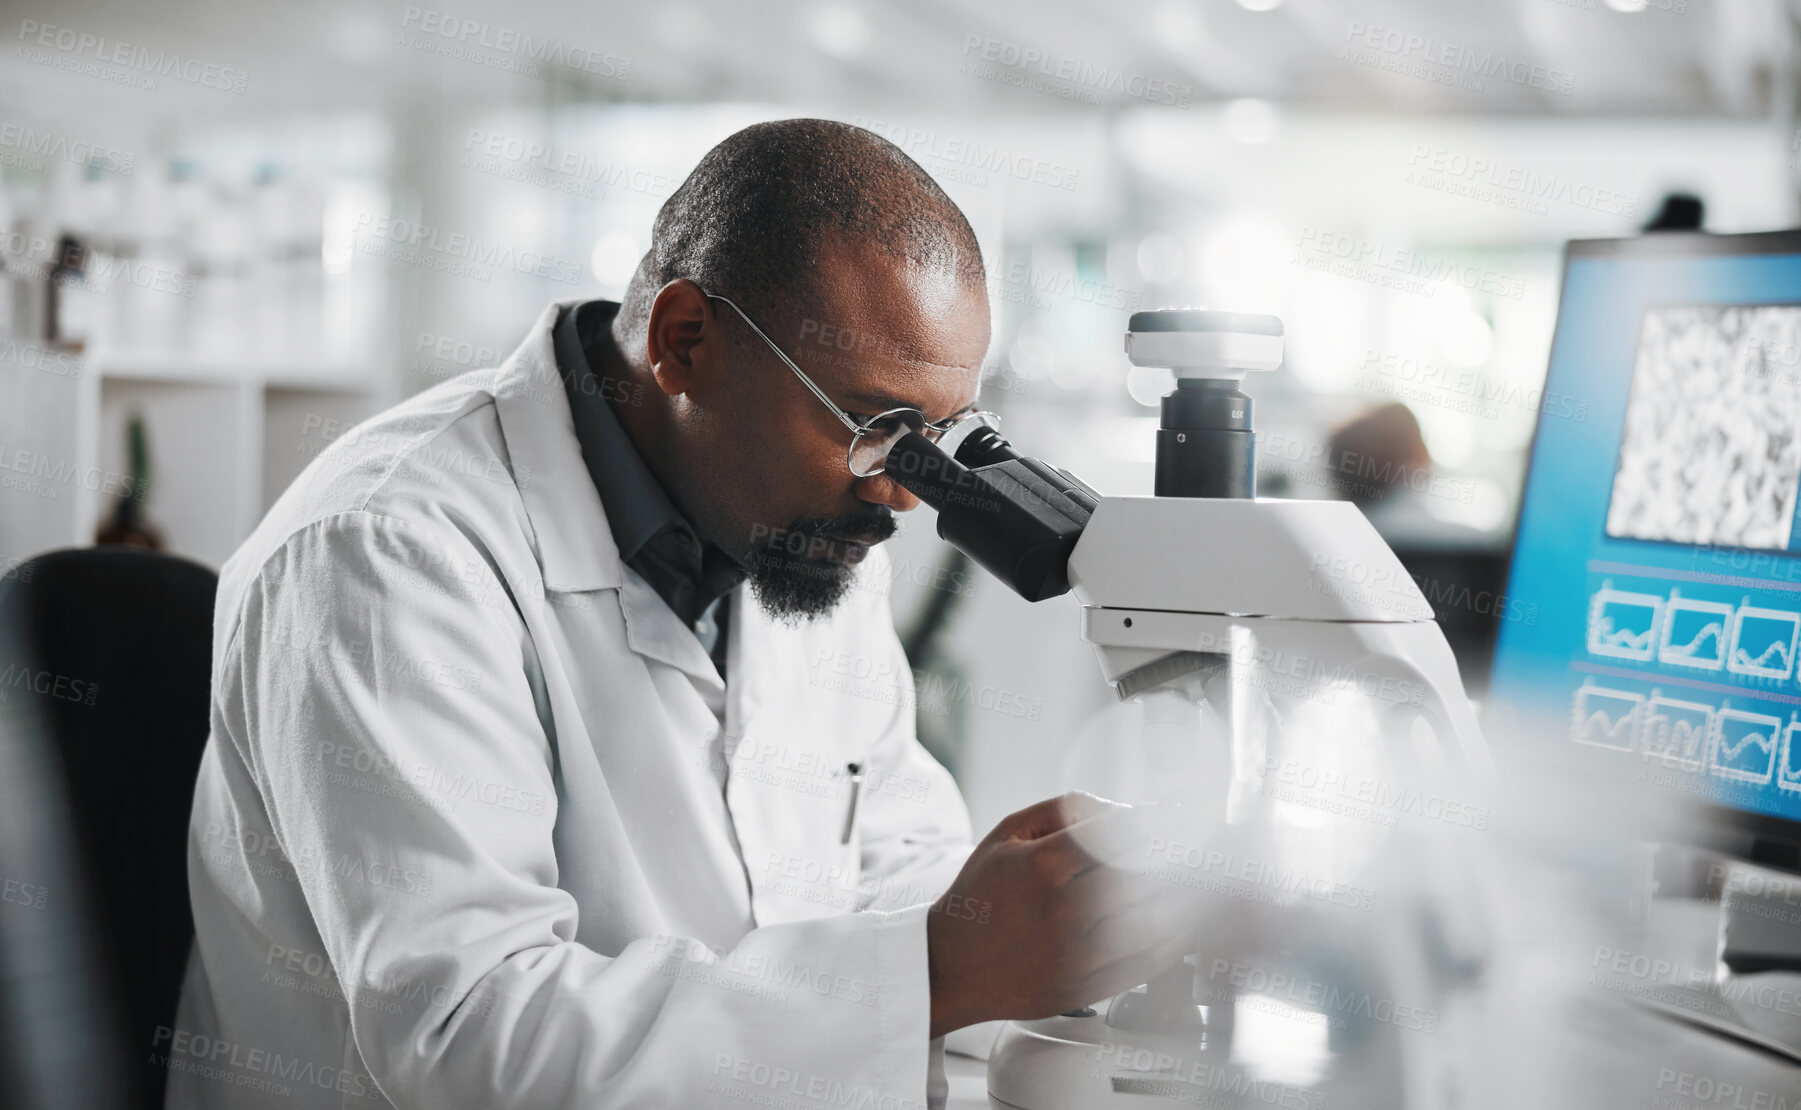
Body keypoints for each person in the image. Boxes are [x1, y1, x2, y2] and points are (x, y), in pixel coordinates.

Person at [170, 119, 1199, 1109]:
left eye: (939, 434)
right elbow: (470, 1040)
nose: (900, 491)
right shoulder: (389, 553)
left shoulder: (802, 531)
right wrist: (941, 967)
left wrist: (1057, 932)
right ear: (685, 340)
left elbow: (888, 871)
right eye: (877, 424)